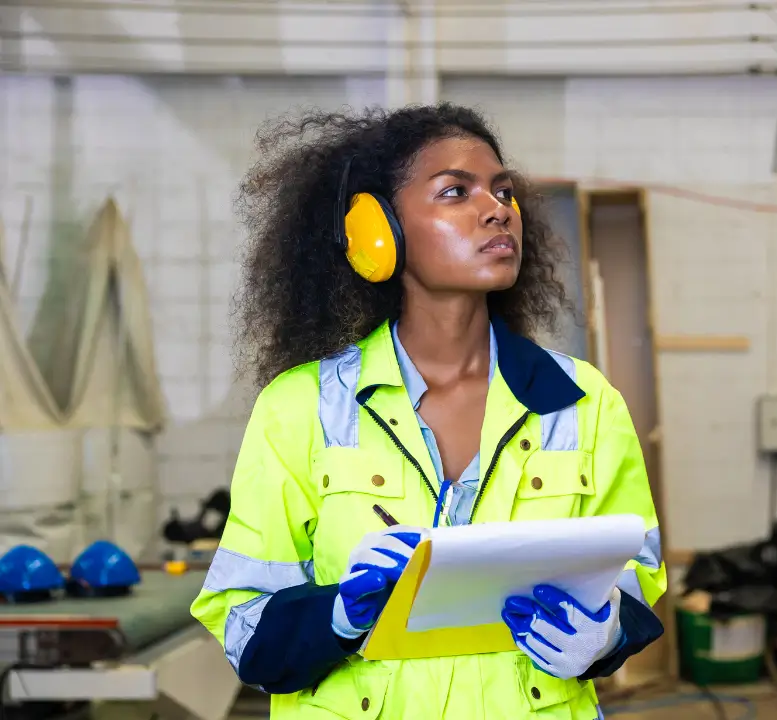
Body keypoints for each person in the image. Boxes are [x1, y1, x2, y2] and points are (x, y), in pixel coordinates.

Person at [190, 104, 665, 719]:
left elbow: (634, 576)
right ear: (377, 230)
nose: (498, 210)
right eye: (455, 192)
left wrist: (605, 636)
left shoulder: (582, 401)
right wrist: (336, 615)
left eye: (502, 192)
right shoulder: (302, 406)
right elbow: (243, 625)